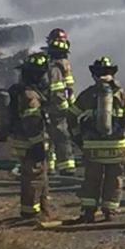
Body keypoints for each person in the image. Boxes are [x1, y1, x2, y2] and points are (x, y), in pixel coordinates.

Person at [69, 56, 125, 222]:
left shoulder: (87, 94)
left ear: (94, 75)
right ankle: (110, 211)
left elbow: (71, 116)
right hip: (118, 147)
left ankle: (88, 212)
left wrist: (78, 136)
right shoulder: (122, 95)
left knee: (92, 179)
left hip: (93, 148)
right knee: (114, 180)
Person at [0, 51, 53, 219]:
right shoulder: (30, 96)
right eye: (42, 74)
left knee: (39, 175)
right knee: (33, 178)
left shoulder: (18, 89)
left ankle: (43, 208)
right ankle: (30, 213)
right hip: (30, 143)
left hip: (23, 141)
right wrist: (37, 144)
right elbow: (32, 124)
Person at [44, 28, 77, 176]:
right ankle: (65, 167)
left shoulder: (56, 63)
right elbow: (60, 89)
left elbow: (68, 87)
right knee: (61, 135)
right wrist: (67, 106)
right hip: (57, 106)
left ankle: (51, 166)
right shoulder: (57, 65)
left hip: (50, 105)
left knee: (48, 135)